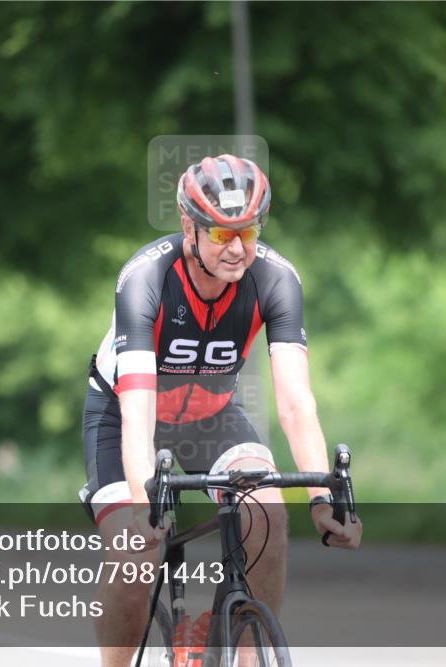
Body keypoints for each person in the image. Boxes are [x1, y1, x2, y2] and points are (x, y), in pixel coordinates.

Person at [80, 155, 362, 666]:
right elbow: (138, 411)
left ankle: (238, 656)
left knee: (268, 514)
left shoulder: (275, 279)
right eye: (221, 234)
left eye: (249, 232)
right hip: (124, 417)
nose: (237, 248)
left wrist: (322, 500)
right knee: (135, 553)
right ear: (188, 226)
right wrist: (146, 505)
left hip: (212, 416)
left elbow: (296, 402)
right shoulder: (146, 277)